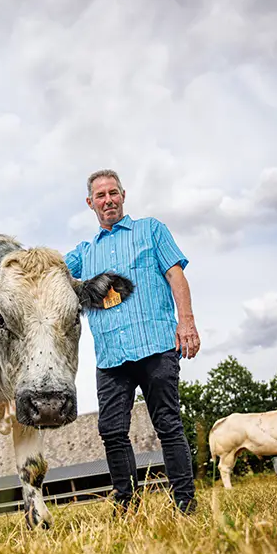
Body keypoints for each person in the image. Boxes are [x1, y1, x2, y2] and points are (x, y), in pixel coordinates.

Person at [65, 170, 200, 513]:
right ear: (90, 203)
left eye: (113, 193)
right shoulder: (84, 254)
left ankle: (185, 502)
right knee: (111, 431)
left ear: (123, 195)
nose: (108, 200)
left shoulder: (151, 230)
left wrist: (186, 321)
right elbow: (49, 270)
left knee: (167, 424)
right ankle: (127, 505)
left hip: (155, 345)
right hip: (111, 356)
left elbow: (176, 276)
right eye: (100, 195)